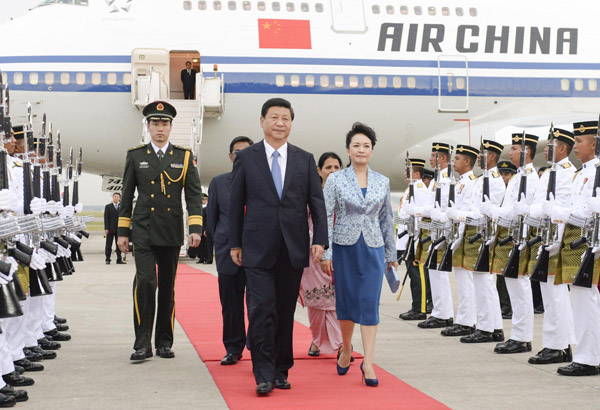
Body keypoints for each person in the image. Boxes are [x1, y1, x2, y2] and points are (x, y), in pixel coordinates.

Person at [228, 98, 327, 395]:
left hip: (293, 247)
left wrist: (320, 238)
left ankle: (281, 369)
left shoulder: (304, 159)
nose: (280, 123)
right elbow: (236, 204)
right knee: (260, 309)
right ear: (262, 121)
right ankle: (263, 372)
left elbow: (316, 203)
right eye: (274, 117)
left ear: (291, 124)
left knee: (284, 311)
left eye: (285, 118)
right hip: (256, 247)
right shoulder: (247, 158)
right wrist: (234, 242)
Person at [117, 100, 204, 361]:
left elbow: (193, 195)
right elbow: (127, 194)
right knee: (145, 282)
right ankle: (142, 343)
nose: (160, 128)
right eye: (155, 123)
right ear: (148, 126)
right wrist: (123, 230)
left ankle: (164, 341)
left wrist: (195, 228)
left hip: (170, 229)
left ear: (170, 127)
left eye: (164, 123)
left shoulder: (183, 156)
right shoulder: (136, 155)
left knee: (167, 286)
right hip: (143, 227)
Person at [321, 122, 397, 388]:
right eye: (356, 146)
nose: (361, 150)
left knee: (369, 303)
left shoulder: (382, 181)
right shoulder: (335, 179)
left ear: (372, 151)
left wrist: (391, 253)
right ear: (348, 150)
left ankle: (368, 362)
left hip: (374, 248)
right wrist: (326, 252)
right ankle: (345, 349)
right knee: (347, 303)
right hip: (344, 248)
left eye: (366, 146)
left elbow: (387, 219)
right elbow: (326, 216)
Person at [483, 133, 540, 354]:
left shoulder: (531, 178)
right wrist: (496, 212)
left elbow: (525, 211)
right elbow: (510, 209)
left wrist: (496, 212)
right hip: (510, 234)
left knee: (520, 287)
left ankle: (522, 337)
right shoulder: (518, 177)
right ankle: (518, 335)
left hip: (522, 238)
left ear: (526, 152)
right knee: (514, 286)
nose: (510, 152)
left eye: (515, 149)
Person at [552, 120, 600, 376]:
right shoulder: (579, 174)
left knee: (587, 301)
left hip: (588, 243)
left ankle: (589, 358)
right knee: (580, 300)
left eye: (580, 142)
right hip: (573, 242)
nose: (576, 146)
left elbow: (586, 213)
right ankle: (586, 354)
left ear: (594, 143)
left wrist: (562, 212)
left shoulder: (596, 171)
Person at [526, 128, 576, 365]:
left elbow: (564, 207)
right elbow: (540, 204)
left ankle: (559, 346)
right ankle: (554, 343)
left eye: (550, 145)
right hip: (544, 238)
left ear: (563, 148)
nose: (545, 149)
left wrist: (556, 240)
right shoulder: (549, 173)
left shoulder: (567, 173)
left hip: (557, 240)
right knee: (549, 296)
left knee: (556, 297)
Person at [206, 136, 254, 366]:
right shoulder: (219, 182)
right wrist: (222, 246)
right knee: (231, 305)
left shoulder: (263, 182)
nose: (241, 156)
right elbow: (212, 220)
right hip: (228, 255)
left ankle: (258, 346)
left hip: (258, 254)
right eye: (237, 152)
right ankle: (233, 348)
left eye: (247, 151)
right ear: (230, 156)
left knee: (259, 304)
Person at [459, 140, 506, 344]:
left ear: (493, 156)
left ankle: (486, 328)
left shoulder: (495, 180)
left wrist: (462, 215)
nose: (479, 157)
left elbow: (488, 211)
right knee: (481, 282)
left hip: (485, 235)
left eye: (483, 153)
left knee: (484, 283)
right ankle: (494, 327)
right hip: (476, 232)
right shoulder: (480, 180)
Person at [300, 152, 343, 357]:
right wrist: (314, 241)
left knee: (335, 302)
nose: (333, 171)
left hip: (341, 252)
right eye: (328, 167)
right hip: (314, 253)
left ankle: (341, 344)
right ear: (319, 171)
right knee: (316, 300)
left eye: (336, 167)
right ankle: (317, 340)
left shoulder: (346, 193)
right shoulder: (312, 192)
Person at [440, 144, 480, 337]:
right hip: (457, 233)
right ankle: (464, 319)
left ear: (467, 162)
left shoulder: (472, 183)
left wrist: (457, 219)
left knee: (466, 281)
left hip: (465, 235)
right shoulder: (460, 182)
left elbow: (471, 212)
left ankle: (467, 321)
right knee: (461, 280)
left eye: (457, 159)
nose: (454, 162)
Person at [397, 158, 432, 321]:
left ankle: (421, 308)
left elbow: (425, 213)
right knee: (413, 274)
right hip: (407, 237)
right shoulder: (411, 189)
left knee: (418, 275)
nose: (405, 174)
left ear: (417, 174)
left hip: (415, 238)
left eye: (408, 171)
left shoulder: (419, 189)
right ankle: (416, 306)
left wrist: (416, 236)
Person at [104, 193, 124, 265]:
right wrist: (106, 228)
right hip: (110, 229)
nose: (116, 198)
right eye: (115, 197)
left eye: (117, 197)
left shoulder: (121, 207)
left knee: (119, 245)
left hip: (118, 229)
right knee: (108, 244)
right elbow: (106, 218)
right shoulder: (108, 207)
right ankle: (107, 259)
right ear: (113, 198)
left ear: (119, 198)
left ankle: (119, 259)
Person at [197, 194, 213, 264]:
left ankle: (208, 258)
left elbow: (208, 220)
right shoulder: (200, 208)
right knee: (201, 245)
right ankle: (201, 257)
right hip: (200, 228)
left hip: (206, 228)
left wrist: (206, 229)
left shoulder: (208, 208)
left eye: (203, 200)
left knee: (208, 245)